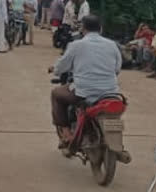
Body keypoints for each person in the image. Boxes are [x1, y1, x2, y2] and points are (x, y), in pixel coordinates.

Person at [49, 15, 122, 146]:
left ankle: (66, 134)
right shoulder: (112, 45)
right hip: (111, 93)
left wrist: (54, 69)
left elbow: (62, 66)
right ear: (100, 29)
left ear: (83, 29)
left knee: (56, 94)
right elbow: (117, 69)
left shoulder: (76, 45)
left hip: (84, 92)